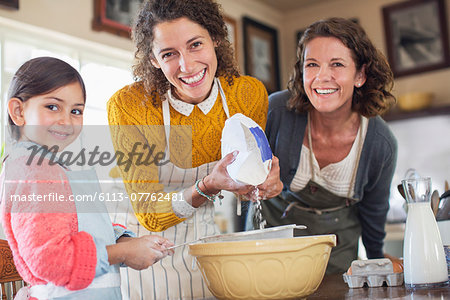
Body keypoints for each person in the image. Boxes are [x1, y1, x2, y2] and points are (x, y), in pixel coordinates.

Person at [107, 0, 283, 298]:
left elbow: (244, 176)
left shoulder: (248, 94)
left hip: (204, 241)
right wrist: (208, 185)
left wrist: (261, 181)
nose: (186, 66)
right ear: (152, 59)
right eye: (168, 54)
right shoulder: (129, 107)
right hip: (144, 251)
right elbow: (149, 212)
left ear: (215, 37)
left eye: (195, 45)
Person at [0, 57, 173, 300]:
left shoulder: (49, 165)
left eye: (76, 111)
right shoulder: (34, 170)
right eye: (52, 106)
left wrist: (123, 240)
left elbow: (81, 227)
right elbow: (52, 260)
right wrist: (123, 253)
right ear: (18, 111)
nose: (66, 120)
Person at [247, 17, 398, 274]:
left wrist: (376, 263)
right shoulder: (277, 111)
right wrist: (252, 184)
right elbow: (240, 176)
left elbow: (374, 212)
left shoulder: (380, 144)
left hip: (336, 255)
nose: (321, 77)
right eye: (312, 64)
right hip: (267, 247)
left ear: (360, 75)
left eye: (337, 64)